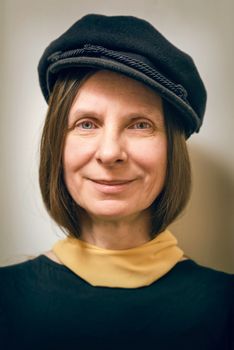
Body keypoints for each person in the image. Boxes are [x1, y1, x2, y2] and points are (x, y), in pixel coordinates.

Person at [0, 14, 233, 350]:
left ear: (172, 152)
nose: (110, 153)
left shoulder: (226, 307)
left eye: (140, 125)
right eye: (86, 124)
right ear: (57, 146)